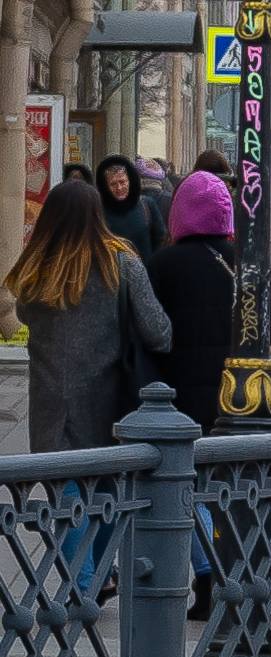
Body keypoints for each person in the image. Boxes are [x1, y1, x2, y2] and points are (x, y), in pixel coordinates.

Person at [11, 179, 171, 454]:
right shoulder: (123, 265)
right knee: (100, 494)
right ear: (98, 215)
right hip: (106, 415)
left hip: (48, 419)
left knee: (60, 491)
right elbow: (159, 334)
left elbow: (24, 315)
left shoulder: (35, 271)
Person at [147, 171, 271, 437]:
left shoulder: (161, 264)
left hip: (176, 396)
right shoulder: (249, 260)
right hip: (241, 397)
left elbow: (148, 330)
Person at [96, 155, 167, 262]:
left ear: (130, 181)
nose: (119, 188)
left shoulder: (146, 204)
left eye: (122, 182)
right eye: (113, 184)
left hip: (144, 274)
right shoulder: (98, 210)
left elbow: (160, 240)